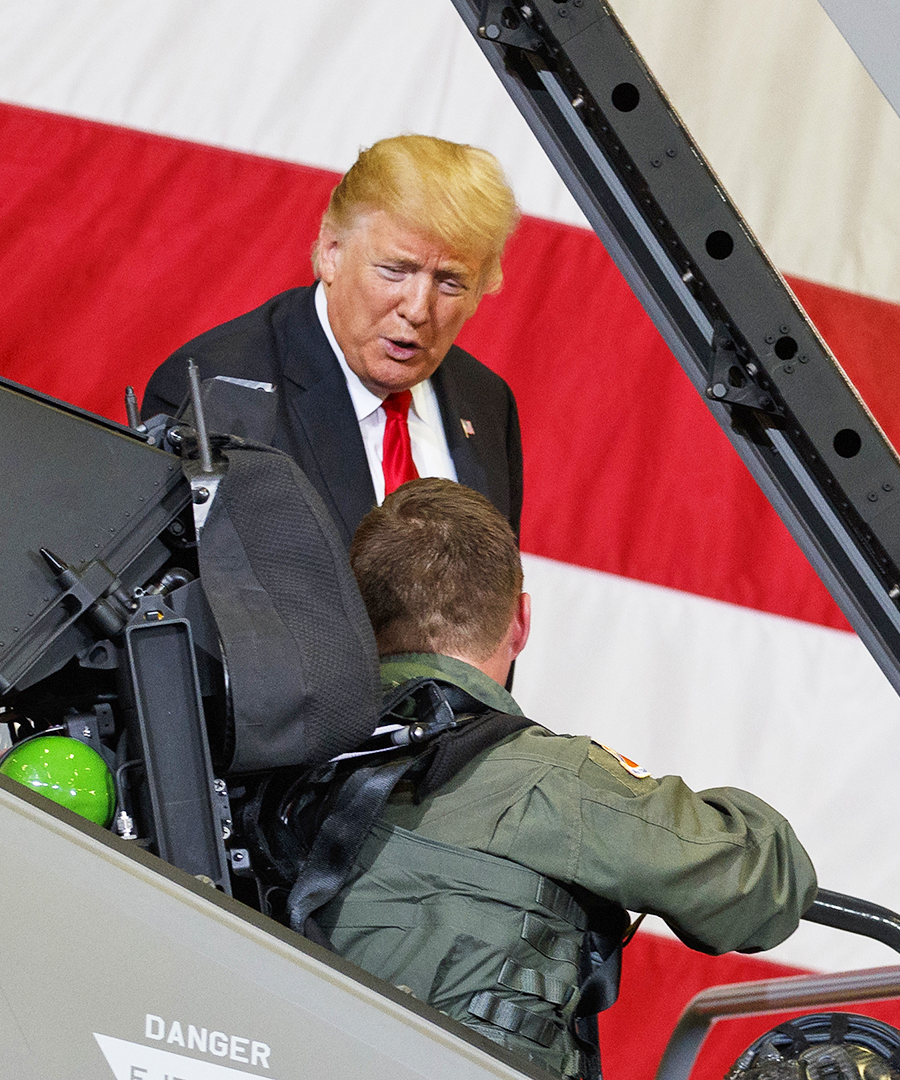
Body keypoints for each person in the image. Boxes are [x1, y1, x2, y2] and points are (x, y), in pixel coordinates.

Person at [321, 478, 816, 1079]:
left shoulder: (273, 762)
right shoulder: (552, 783)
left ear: (358, 617)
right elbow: (763, 887)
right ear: (520, 622)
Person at [143, 135, 523, 544]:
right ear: (331, 251)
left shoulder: (487, 402)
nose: (417, 310)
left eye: (450, 283)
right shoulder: (215, 393)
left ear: (481, 289)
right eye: (395, 270)